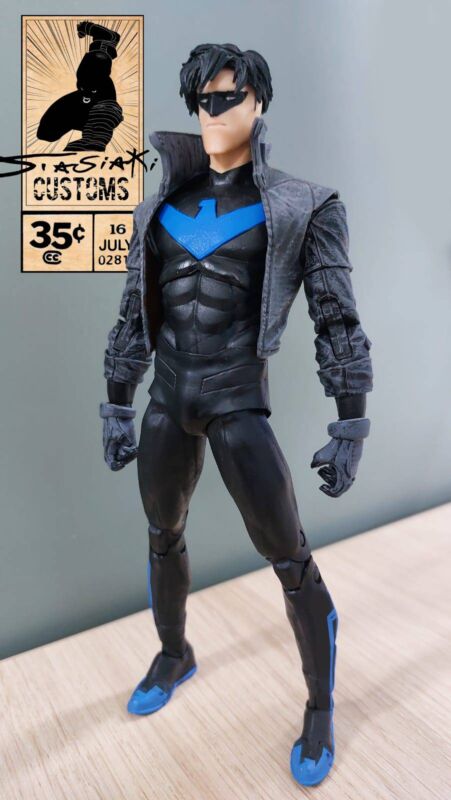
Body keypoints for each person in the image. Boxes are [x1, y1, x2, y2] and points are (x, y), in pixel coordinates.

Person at [99, 42, 373, 788]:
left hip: (235, 399)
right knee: (163, 535)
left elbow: (336, 319)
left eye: (229, 98)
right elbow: (133, 314)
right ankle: (174, 654)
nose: (214, 112)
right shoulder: (161, 206)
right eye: (204, 100)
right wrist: (116, 401)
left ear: (258, 103)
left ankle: (320, 707)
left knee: (290, 559)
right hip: (167, 398)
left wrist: (350, 421)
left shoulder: (302, 205)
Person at [37, 20, 123, 152]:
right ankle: (105, 41)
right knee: (45, 134)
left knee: (90, 80)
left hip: (99, 103)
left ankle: (105, 42)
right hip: (86, 109)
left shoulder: (100, 88)